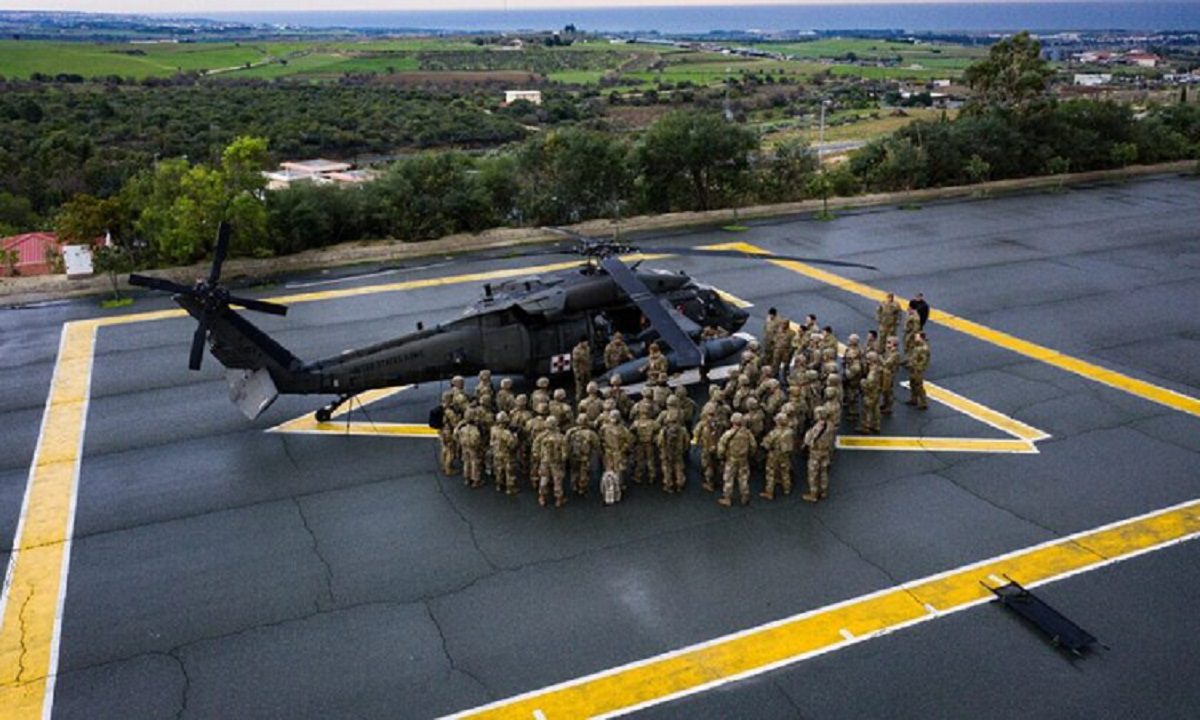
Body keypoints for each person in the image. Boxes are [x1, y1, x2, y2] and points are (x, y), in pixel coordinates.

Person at [717, 413, 756, 507]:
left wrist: (721, 456)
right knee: (743, 478)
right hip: (743, 458)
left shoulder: (728, 434)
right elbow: (753, 445)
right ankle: (745, 496)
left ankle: (727, 498)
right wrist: (750, 454)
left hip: (731, 459)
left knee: (728, 478)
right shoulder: (747, 433)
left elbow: (721, 446)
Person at [803, 405, 837, 502]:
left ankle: (813, 494)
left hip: (816, 452)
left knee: (813, 473)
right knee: (823, 472)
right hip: (826, 451)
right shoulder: (830, 425)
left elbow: (808, 440)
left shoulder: (817, 428)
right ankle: (823, 491)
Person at [760, 414, 795, 500]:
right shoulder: (790, 431)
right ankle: (787, 488)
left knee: (771, 472)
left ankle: (769, 492)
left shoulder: (774, 433)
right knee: (785, 470)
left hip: (774, 454)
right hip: (785, 454)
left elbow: (766, 444)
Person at [536, 416, 568, 507]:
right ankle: (558, 499)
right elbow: (564, 452)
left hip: (544, 461)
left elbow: (535, 448)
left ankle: (542, 497)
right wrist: (562, 460)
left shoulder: (541, 436)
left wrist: (539, 457)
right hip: (556, 462)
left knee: (544, 478)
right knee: (557, 480)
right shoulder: (561, 437)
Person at [657, 409, 690, 493]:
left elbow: (659, 442)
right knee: (679, 468)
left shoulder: (664, 430)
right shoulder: (682, 430)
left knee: (667, 469)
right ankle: (680, 484)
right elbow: (687, 442)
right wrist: (684, 449)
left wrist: (661, 451)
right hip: (678, 452)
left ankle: (668, 486)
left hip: (666, 453)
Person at [490, 412, 519, 495]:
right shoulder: (506, 433)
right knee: (509, 471)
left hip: (496, 452)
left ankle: (499, 485)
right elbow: (512, 445)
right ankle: (510, 488)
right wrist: (515, 436)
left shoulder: (493, 429)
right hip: (506, 454)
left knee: (498, 469)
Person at [454, 408, 484, 489]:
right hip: (473, 449)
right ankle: (475, 480)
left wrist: (460, 442)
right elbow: (478, 440)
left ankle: (467, 478)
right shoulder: (475, 429)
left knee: (466, 462)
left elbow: (455, 434)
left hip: (464, 447)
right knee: (475, 463)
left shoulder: (462, 427)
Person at [905, 331, 931, 410]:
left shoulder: (924, 349)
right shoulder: (918, 346)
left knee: (919, 385)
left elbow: (923, 361)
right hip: (913, 368)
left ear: (921, 338)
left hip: (917, 370)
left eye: (917, 337)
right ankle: (914, 399)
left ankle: (923, 402)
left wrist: (917, 368)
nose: (915, 338)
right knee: (912, 383)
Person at [571, 336, 592, 401]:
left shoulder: (587, 348)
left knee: (588, 386)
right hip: (580, 371)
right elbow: (575, 363)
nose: (587, 343)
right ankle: (578, 401)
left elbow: (588, 359)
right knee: (580, 388)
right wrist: (577, 374)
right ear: (581, 342)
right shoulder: (576, 350)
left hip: (587, 370)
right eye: (585, 342)